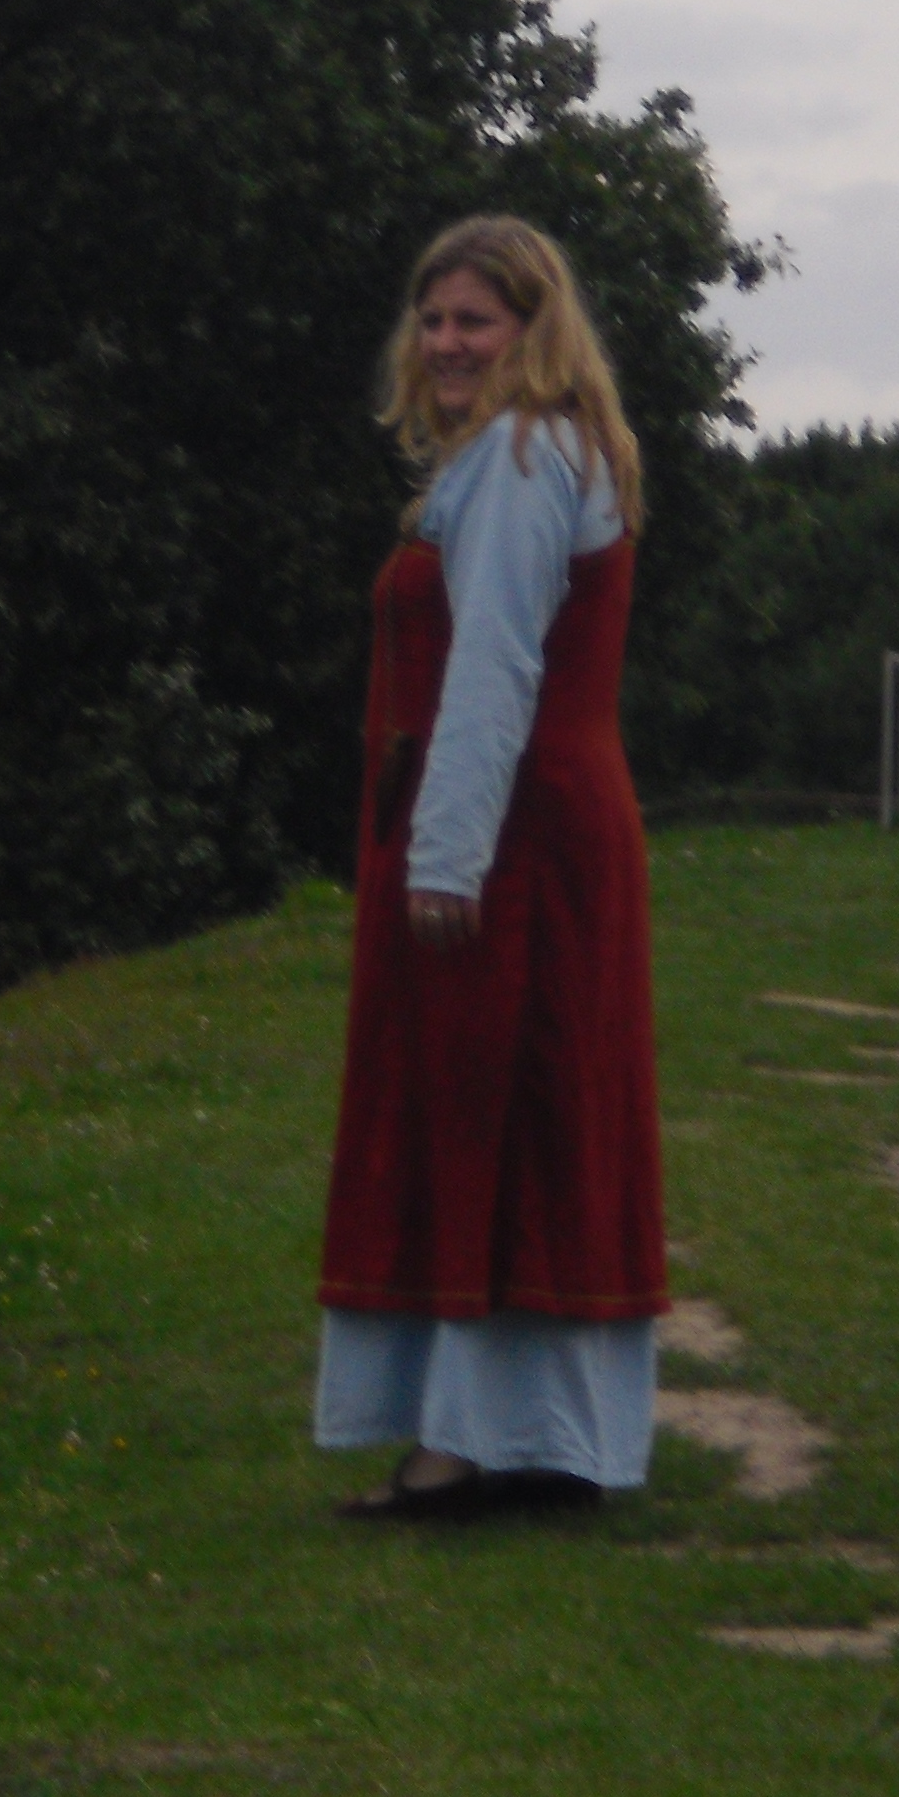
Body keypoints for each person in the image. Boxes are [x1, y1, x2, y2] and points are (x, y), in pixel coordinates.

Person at [317, 217, 667, 1523]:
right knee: (526, 1117)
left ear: (534, 328)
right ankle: (523, 1439)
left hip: (516, 835)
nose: (447, 342)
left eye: (475, 319)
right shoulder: (519, 454)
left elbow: (497, 665)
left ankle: (470, 1450)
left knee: (492, 1119)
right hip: (532, 821)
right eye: (434, 319)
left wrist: (448, 857)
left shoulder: (523, 455)